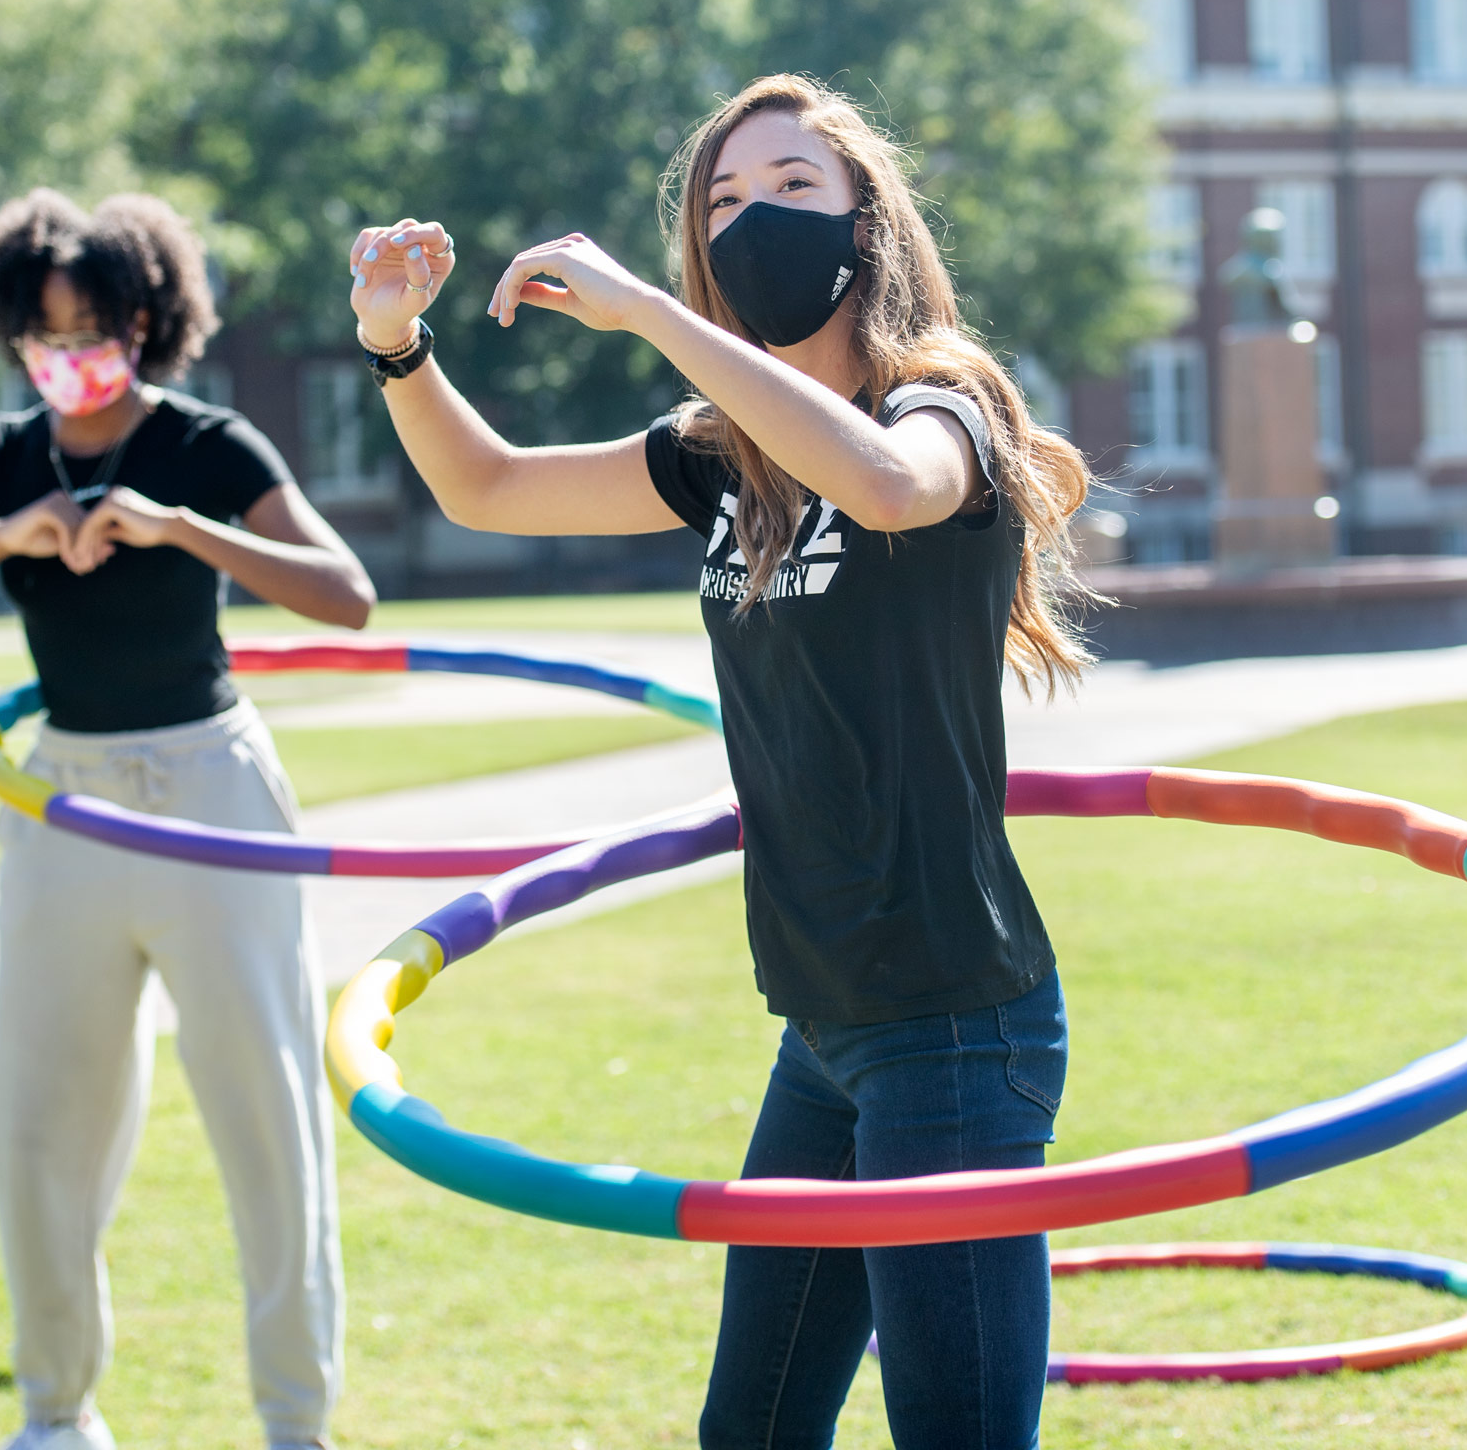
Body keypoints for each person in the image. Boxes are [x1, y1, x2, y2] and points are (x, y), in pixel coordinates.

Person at [347, 74, 1085, 1449]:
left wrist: (649, 315)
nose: (754, 222)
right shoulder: (723, 456)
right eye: (725, 200)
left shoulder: (946, 409)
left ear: (868, 220)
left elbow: (884, 487)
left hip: (954, 1019)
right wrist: (399, 348)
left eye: (795, 190)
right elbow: (490, 489)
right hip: (821, 1022)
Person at [0, 190, 372, 1450]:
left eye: (87, 327)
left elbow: (346, 596)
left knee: (267, 1111)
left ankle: (296, 1422)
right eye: (40, 333)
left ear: (144, 320)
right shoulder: (2, 457)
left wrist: (182, 528)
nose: (62, 354)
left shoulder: (208, 442)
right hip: (65, 801)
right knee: (43, 1121)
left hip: (212, 788)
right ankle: (55, 1414)